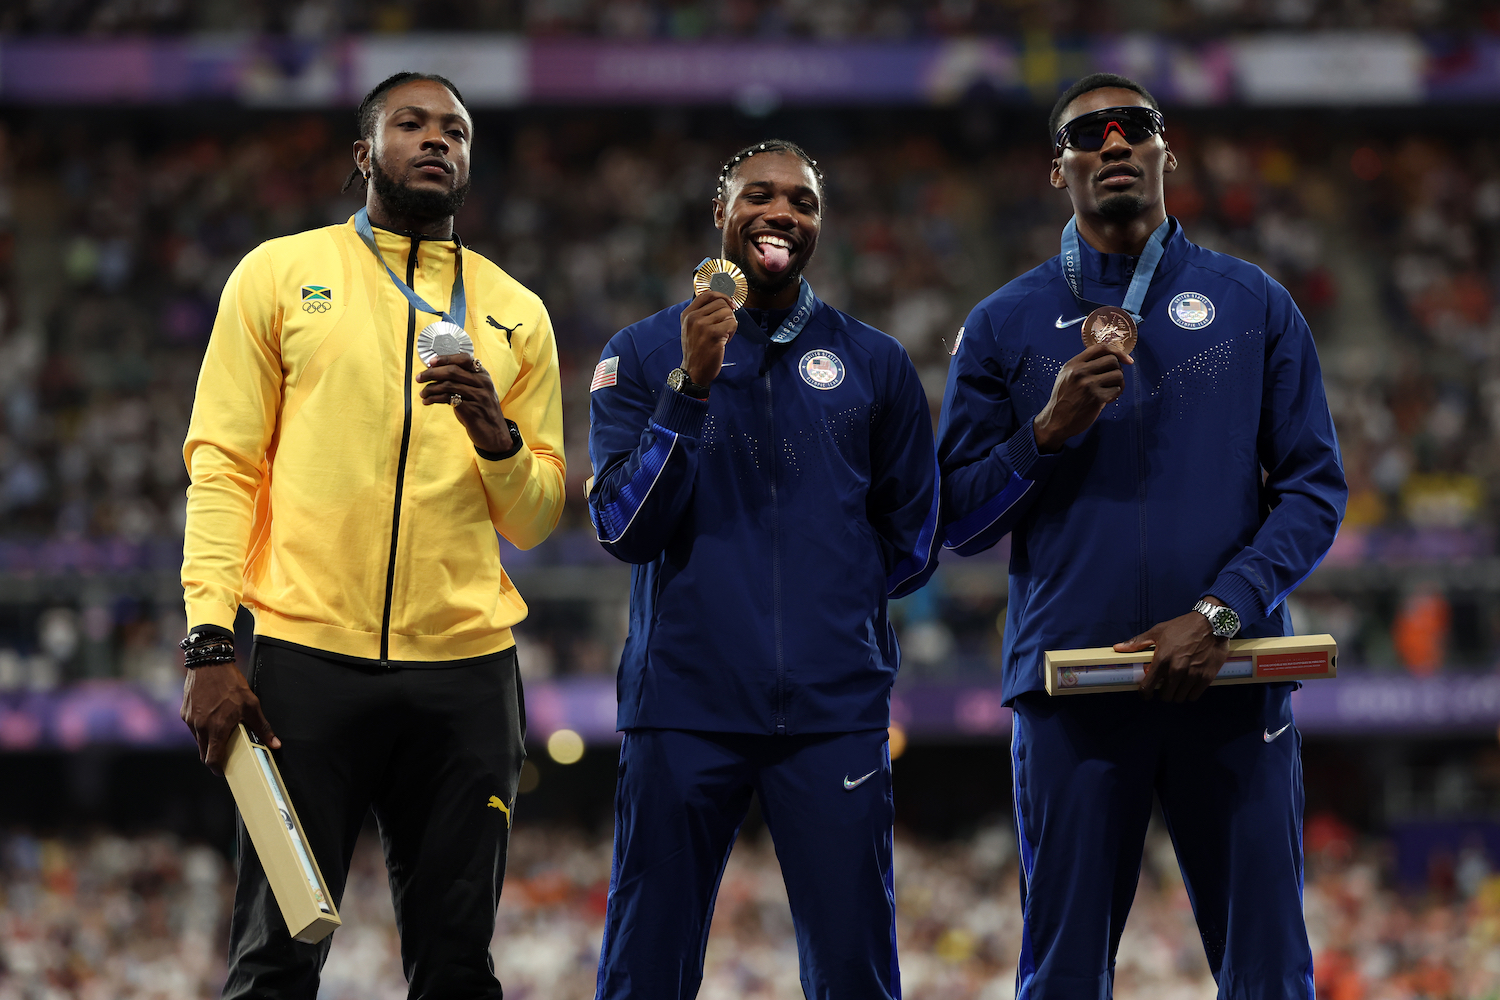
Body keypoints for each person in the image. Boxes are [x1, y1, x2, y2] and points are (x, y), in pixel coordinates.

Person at [937, 73, 1346, 998]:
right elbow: (955, 519)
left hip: (1233, 680)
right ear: (1059, 170)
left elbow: (1315, 492)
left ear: (1169, 152)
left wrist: (1221, 612)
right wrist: (1043, 434)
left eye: (1136, 127)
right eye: (1089, 133)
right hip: (1075, 693)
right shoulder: (1003, 323)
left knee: (1270, 972)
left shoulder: (1255, 305)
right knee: (1064, 973)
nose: (1113, 143)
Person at [178, 71, 565, 998]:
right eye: (412, 123)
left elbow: (539, 514)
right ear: (364, 153)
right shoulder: (279, 274)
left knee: (459, 968)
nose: (438, 140)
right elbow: (224, 465)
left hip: (468, 674)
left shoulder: (518, 313)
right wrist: (209, 636)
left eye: (457, 131)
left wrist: (498, 440)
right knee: (274, 959)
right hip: (305, 666)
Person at [586, 139, 941, 1000]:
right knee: (646, 970)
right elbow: (623, 528)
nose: (783, 213)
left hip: (833, 711)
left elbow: (913, 536)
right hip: (684, 708)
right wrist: (690, 388)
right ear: (722, 212)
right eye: (761, 195)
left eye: (804, 203)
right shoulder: (638, 354)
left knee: (856, 972)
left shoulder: (876, 362)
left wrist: (835, 612)